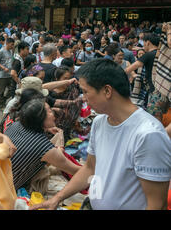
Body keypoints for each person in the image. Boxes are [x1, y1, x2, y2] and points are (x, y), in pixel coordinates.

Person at [31, 59, 171, 210]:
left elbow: (156, 204)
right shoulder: (100, 122)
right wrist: (57, 198)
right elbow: (90, 168)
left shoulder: (148, 135)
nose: (83, 98)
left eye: (85, 91)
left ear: (107, 91)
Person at [0, 97, 81, 200]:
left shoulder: (16, 125)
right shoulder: (43, 146)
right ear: (40, 119)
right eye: (49, 111)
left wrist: (45, 129)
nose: (53, 114)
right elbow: (76, 171)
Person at [0, 37, 15, 110]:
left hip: (10, 74)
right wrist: (3, 68)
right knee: (1, 91)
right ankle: (1, 106)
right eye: (11, 45)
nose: (12, 46)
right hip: (3, 75)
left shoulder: (11, 51)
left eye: (13, 45)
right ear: (7, 43)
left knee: (12, 89)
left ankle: (4, 100)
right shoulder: (1, 51)